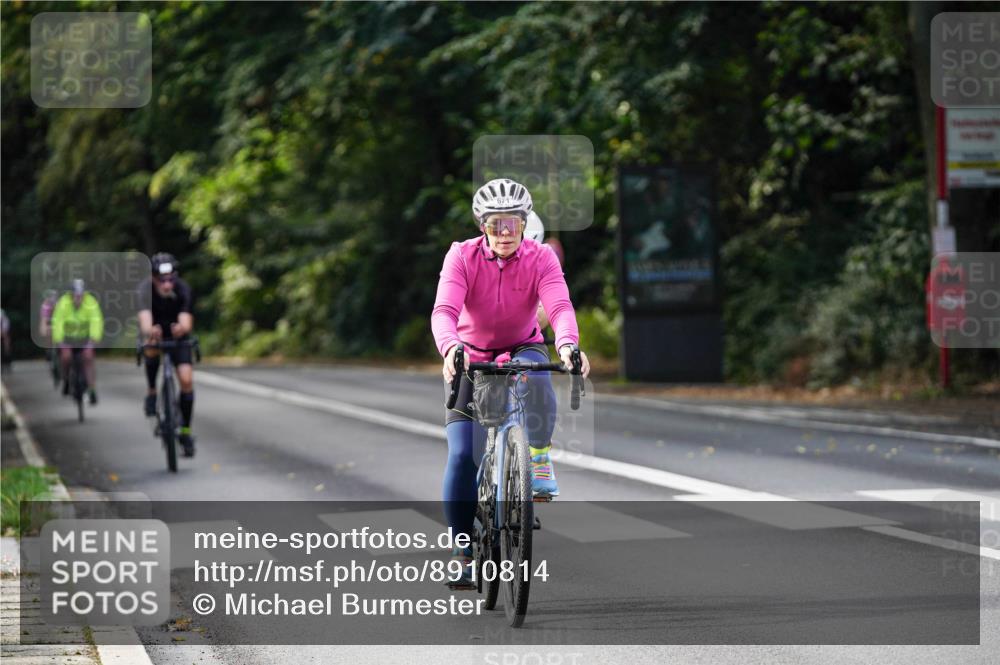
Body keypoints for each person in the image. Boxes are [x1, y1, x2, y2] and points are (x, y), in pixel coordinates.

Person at [431, 177, 591, 587]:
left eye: (513, 224)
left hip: (523, 345)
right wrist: (450, 348)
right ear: (482, 226)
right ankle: (462, 551)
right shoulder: (461, 256)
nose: (505, 233)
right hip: (469, 353)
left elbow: (559, 305)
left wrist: (568, 345)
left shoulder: (541, 257)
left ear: (524, 223)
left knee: (538, 379)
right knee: (462, 455)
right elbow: (444, 310)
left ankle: (537, 456)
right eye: (495, 224)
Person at [137, 253, 197, 457]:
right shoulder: (144, 291)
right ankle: (152, 391)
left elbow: (186, 321)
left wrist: (181, 328)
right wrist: (150, 330)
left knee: (186, 380)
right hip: (155, 332)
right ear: (153, 278)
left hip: (177, 335)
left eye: (170, 279)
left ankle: (185, 431)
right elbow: (145, 321)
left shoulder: (183, 289)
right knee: (151, 345)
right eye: (162, 280)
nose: (167, 284)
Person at [51, 279, 103, 404]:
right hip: (67, 338)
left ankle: (92, 389)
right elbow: (57, 322)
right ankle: (66, 380)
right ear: (70, 295)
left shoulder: (90, 302)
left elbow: (96, 321)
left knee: (88, 358)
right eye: (75, 295)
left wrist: (93, 341)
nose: (78, 298)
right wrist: (60, 341)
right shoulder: (63, 303)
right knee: (66, 357)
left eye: (80, 295)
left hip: (84, 338)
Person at [39, 289, 59, 382]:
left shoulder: (59, 305)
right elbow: (43, 321)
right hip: (49, 323)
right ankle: (48, 351)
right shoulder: (45, 306)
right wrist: (44, 330)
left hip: (58, 323)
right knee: (47, 333)